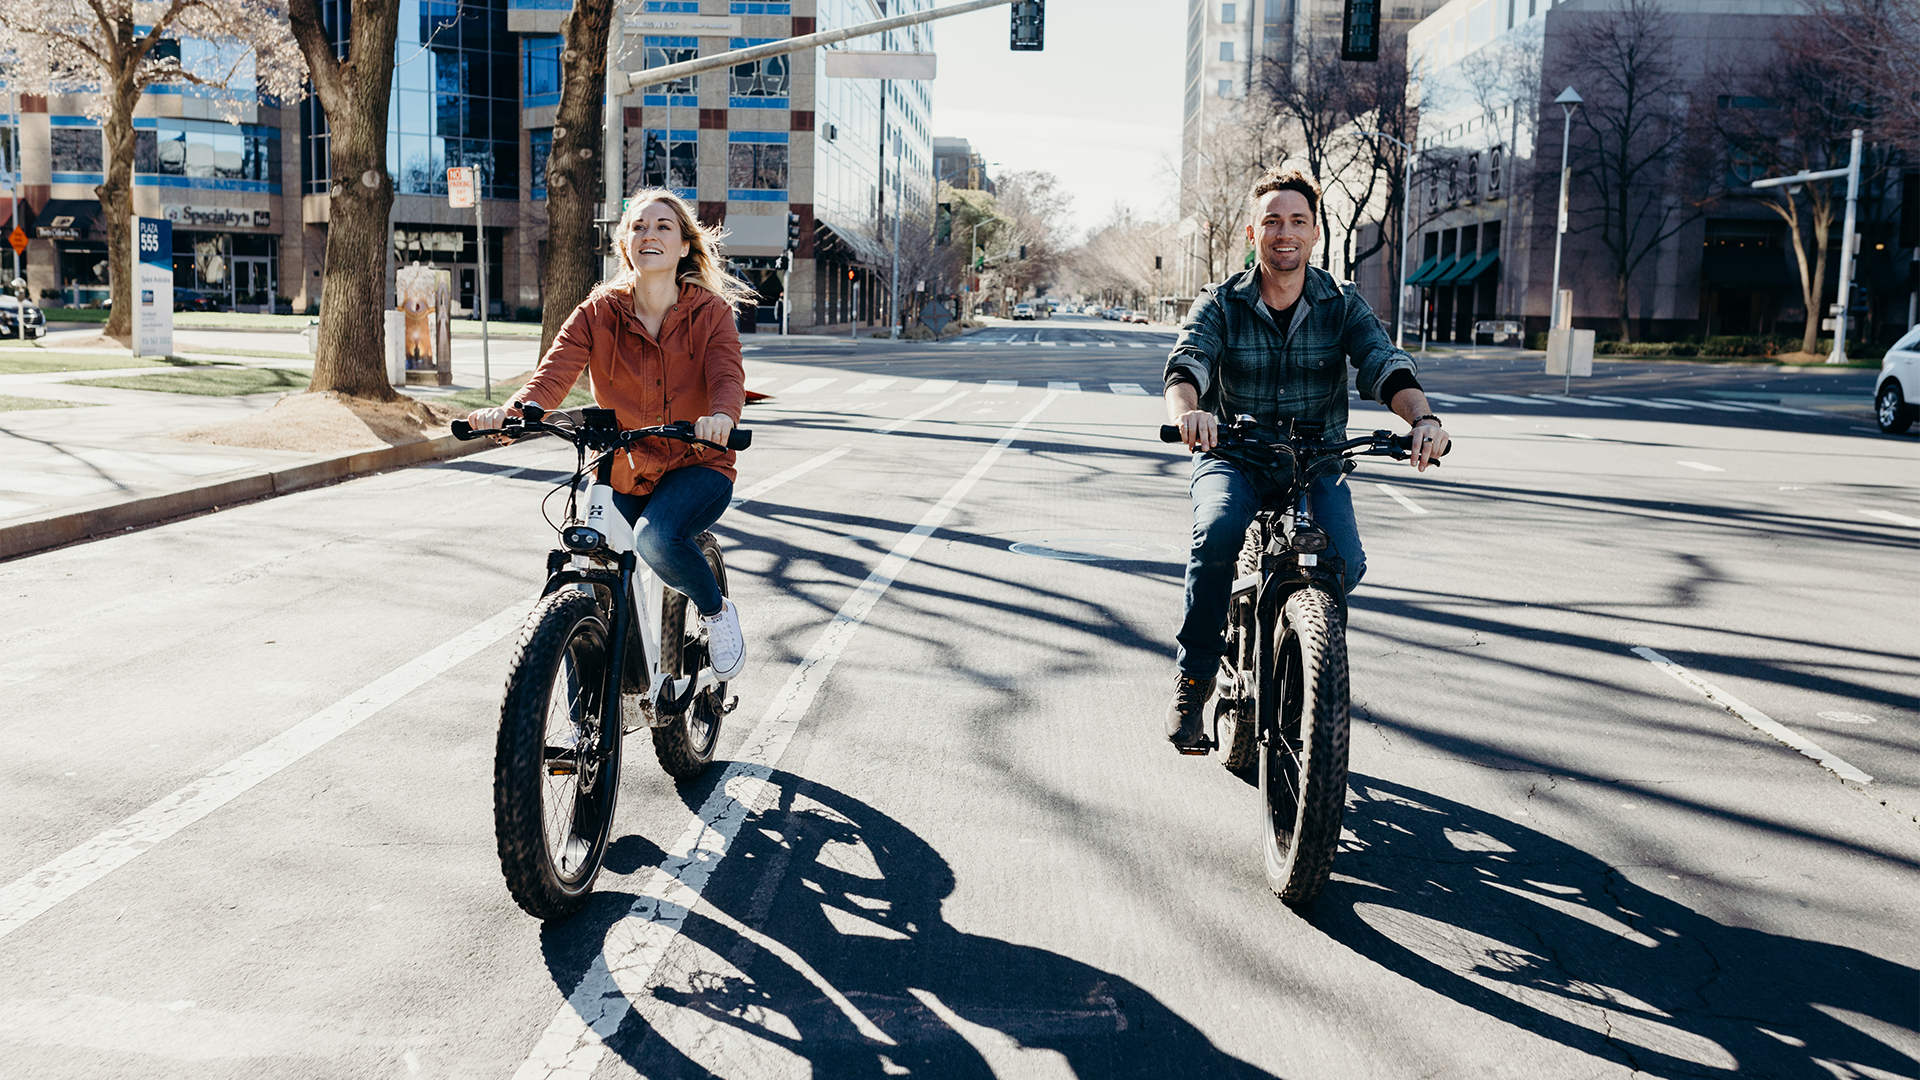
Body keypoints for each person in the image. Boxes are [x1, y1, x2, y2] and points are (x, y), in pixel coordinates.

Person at [1162, 168, 1450, 752]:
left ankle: (1311, 670)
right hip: (1234, 454)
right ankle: (1194, 678)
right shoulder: (1220, 302)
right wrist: (1189, 412)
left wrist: (1422, 420)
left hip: (1315, 460)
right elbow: (1187, 362)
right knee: (1215, 534)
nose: (1284, 232)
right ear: (1253, 232)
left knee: (1346, 561)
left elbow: (1383, 363)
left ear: (1315, 232)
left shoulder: (1340, 303)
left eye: (1297, 221)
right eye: (1272, 221)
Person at [466, 188, 752, 680]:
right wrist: (515, 415)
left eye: (663, 226)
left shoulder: (710, 313)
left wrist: (722, 417)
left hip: (697, 463)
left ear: (684, 245)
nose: (650, 235)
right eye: (638, 227)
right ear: (625, 245)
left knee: (657, 539)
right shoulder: (598, 311)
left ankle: (716, 611)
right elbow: (553, 375)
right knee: (584, 565)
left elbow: (728, 376)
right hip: (623, 464)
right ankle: (579, 728)